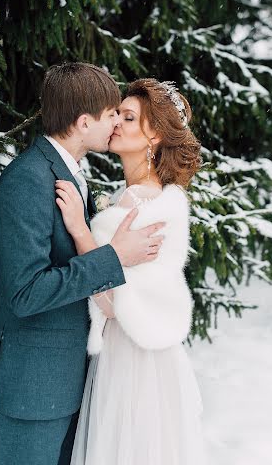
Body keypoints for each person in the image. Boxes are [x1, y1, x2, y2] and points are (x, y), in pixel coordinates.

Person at [0, 63, 166, 465]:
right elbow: (25, 294)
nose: (117, 122)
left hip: (70, 385)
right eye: (111, 114)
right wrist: (112, 258)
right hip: (30, 390)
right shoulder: (27, 180)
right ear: (84, 122)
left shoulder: (74, 176)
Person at [55, 78, 207, 465]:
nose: (116, 123)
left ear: (154, 135)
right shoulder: (145, 195)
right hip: (149, 355)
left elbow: (110, 301)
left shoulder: (141, 202)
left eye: (128, 117)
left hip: (133, 359)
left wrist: (78, 229)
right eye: (116, 114)